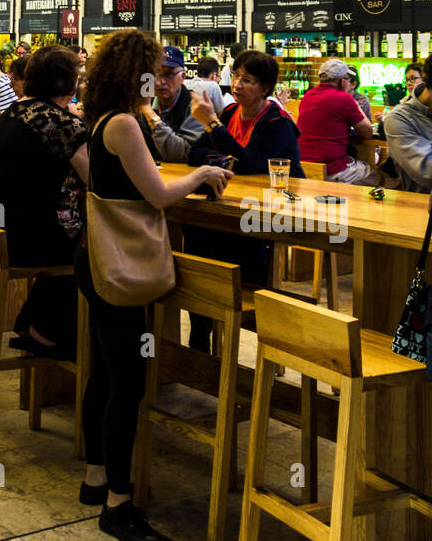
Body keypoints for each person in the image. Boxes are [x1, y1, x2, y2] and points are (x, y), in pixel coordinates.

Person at [78, 30, 232, 541]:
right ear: (134, 76)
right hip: (119, 264)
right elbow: (160, 195)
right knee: (128, 384)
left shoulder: (103, 118)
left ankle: (96, 479)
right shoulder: (124, 123)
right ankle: (118, 505)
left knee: (104, 373)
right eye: (152, 69)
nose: (160, 79)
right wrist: (206, 172)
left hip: (96, 256)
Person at [0, 46, 89, 356]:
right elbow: (99, 179)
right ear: (69, 83)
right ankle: (52, 332)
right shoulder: (59, 121)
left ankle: (34, 323)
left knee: (73, 236)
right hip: (21, 242)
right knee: (91, 249)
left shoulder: (10, 113)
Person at [187, 49, 305, 350]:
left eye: (248, 80)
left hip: (274, 212)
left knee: (214, 240)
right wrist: (222, 154)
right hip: (235, 204)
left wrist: (213, 127)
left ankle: (227, 306)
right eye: (236, 77)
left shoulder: (277, 122)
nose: (237, 85)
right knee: (196, 232)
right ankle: (203, 317)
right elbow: (194, 154)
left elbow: (249, 163)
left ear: (265, 88)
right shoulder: (230, 113)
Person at [297, 58, 373, 184]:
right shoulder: (344, 98)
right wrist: (354, 103)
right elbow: (367, 132)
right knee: (378, 177)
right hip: (333, 171)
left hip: (304, 168)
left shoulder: (307, 96)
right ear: (342, 81)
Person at [139, 44, 207, 162]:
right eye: (156, 74)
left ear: (183, 76)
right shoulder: (145, 101)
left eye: (168, 75)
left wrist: (151, 115)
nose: (160, 82)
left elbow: (183, 153)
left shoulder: (195, 106)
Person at [384, 55, 432, 191]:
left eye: (413, 79)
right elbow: (427, 170)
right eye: (408, 80)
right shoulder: (399, 119)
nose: (409, 83)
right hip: (420, 204)